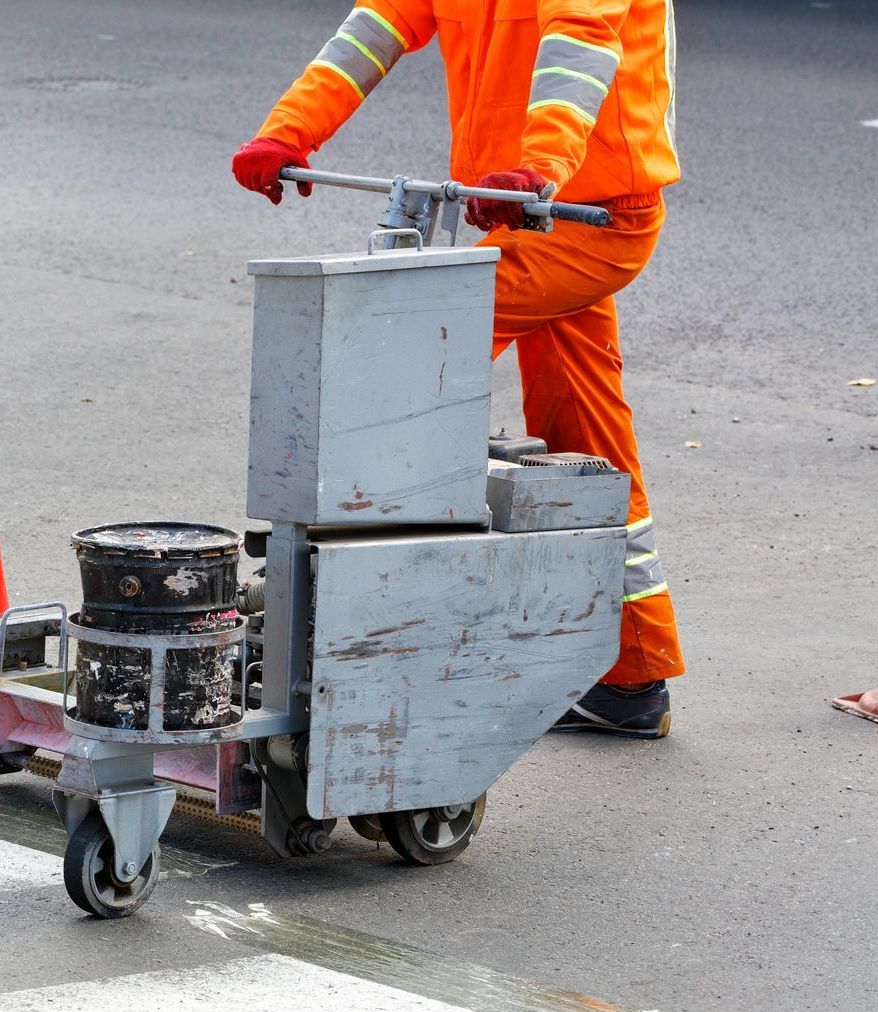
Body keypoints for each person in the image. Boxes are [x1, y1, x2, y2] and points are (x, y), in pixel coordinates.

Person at [232, 0, 683, 739]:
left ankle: (350, 639)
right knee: (584, 431)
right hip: (518, 205)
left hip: (585, 211)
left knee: (396, 374)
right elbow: (381, 24)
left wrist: (540, 164)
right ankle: (629, 678)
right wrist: (290, 128)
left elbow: (583, 41)